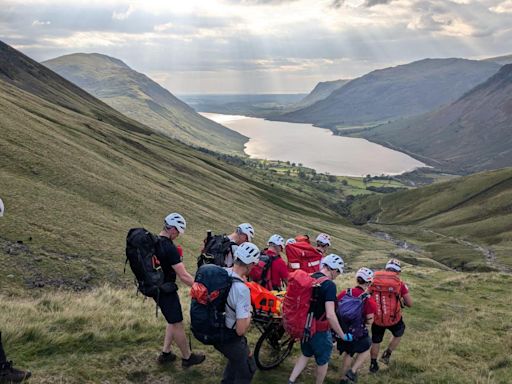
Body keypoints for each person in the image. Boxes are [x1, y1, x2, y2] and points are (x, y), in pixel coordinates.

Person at [288, 254, 349, 384]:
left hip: (304, 326)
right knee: (323, 361)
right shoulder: (330, 286)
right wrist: (342, 335)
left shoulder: (310, 277)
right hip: (319, 330)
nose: (337, 275)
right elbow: (330, 315)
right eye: (338, 272)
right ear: (334, 269)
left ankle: (291, 380)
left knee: (305, 354)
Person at [155, 213, 205, 367]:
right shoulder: (170, 248)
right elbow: (183, 275)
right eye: (178, 232)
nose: (178, 236)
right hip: (166, 290)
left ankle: (166, 353)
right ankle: (187, 358)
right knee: (177, 323)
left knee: (172, 319)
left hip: (156, 287)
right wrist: (200, 287)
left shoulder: (154, 241)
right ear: (173, 230)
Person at [213, 242, 260, 384]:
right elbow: (240, 330)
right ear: (250, 264)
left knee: (235, 360)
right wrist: (249, 314)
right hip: (229, 335)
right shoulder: (242, 290)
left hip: (214, 328)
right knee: (247, 369)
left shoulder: (222, 273)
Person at [369, 258, 413, 373]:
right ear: (398, 272)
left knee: (376, 341)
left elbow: (366, 296)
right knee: (399, 333)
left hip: (377, 318)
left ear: (386, 268)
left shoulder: (373, 280)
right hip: (394, 319)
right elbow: (410, 304)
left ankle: (373, 364)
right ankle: (387, 354)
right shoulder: (400, 284)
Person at [337, 268, 377, 383]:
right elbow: (370, 320)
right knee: (365, 347)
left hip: (342, 330)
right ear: (369, 283)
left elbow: (335, 306)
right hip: (357, 332)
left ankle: (343, 378)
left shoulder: (345, 292)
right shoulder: (368, 300)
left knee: (349, 353)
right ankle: (352, 372)